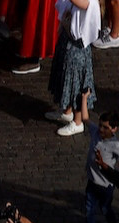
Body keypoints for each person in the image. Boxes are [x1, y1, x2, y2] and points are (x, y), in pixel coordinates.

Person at [47, 0, 101, 137]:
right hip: (67, 38)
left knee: (76, 83)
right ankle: (67, 112)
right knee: (65, 76)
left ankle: (77, 122)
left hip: (77, 47)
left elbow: (83, 3)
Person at [85, 111, 119, 223]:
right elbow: (85, 118)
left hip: (106, 186)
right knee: (89, 210)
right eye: (100, 125)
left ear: (114, 129)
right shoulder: (95, 132)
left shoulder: (115, 145)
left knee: (105, 208)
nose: (101, 129)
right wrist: (84, 100)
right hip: (92, 182)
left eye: (105, 127)